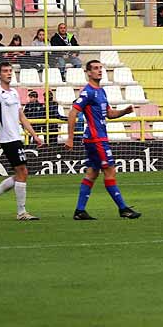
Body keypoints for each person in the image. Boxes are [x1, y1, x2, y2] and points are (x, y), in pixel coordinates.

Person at [65, 59, 141, 220]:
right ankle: (123, 209)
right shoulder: (88, 92)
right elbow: (73, 113)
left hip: (98, 138)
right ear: (88, 73)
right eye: (95, 68)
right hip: (96, 139)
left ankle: (80, 211)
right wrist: (70, 137)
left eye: (101, 68)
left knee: (92, 173)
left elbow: (109, 114)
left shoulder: (101, 91)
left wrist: (124, 112)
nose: (100, 71)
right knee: (110, 170)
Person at [0, 61, 44, 221]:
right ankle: (21, 212)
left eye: (10, 70)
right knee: (23, 172)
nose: (9, 73)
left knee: (20, 174)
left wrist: (34, 135)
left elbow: (21, 116)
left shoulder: (14, 93)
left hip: (16, 138)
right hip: (8, 139)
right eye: (5, 71)